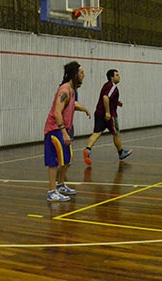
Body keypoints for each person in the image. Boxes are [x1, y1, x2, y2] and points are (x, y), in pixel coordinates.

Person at [43, 61, 91, 202]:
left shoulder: (72, 90)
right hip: (54, 129)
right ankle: (52, 192)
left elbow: (71, 104)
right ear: (74, 74)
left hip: (62, 129)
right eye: (81, 72)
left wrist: (84, 109)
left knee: (67, 159)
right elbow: (57, 112)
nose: (84, 75)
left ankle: (61, 184)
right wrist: (64, 132)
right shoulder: (64, 90)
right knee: (54, 161)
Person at [83, 69, 133, 165]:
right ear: (112, 77)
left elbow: (108, 98)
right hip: (109, 115)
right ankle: (121, 152)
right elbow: (105, 97)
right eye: (117, 75)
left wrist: (117, 102)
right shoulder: (113, 86)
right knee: (116, 133)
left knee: (97, 133)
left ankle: (87, 149)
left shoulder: (106, 85)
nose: (119, 76)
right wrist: (108, 112)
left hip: (98, 112)